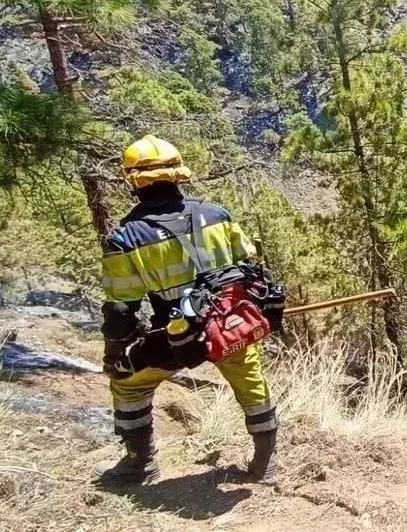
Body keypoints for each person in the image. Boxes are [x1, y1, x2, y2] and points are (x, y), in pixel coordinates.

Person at [95, 135, 278, 485]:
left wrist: (116, 355)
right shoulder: (217, 215)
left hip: (175, 336)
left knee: (129, 386)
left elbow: (121, 309)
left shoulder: (127, 238)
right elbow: (249, 265)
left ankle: (140, 465)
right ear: (179, 173)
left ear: (132, 179)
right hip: (229, 328)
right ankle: (265, 464)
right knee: (251, 381)